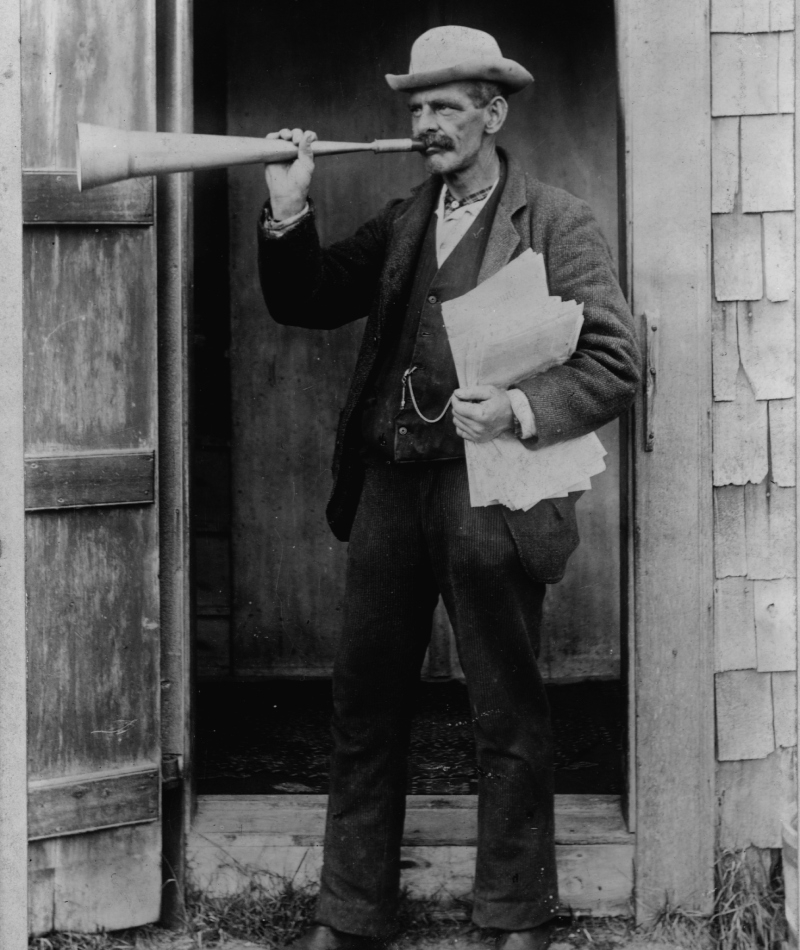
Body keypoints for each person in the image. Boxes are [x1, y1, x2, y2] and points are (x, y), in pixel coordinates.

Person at [257, 25, 640, 950]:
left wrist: (515, 404)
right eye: (416, 109)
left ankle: (514, 915)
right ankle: (351, 915)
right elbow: (305, 299)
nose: (426, 125)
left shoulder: (555, 221)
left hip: (496, 492)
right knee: (364, 697)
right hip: (393, 491)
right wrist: (287, 210)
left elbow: (617, 362)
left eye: (445, 108)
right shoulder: (402, 222)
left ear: (493, 113)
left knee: (505, 702)